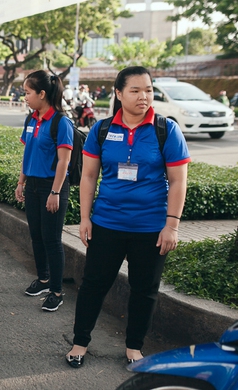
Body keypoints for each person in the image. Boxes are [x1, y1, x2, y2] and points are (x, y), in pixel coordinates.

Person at [65, 66, 190, 368]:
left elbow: (178, 181)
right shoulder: (103, 129)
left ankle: (134, 347)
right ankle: (80, 342)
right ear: (119, 94)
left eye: (148, 90)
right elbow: (89, 177)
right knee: (93, 284)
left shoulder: (166, 130)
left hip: (150, 228)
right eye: (135, 90)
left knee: (144, 290)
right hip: (107, 224)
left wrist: (171, 226)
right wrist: (85, 218)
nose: (144, 96)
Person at [15, 70, 73, 312]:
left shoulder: (61, 122)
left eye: (28, 93)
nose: (25, 97)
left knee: (52, 239)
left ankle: (57, 292)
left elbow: (63, 161)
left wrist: (55, 193)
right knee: (36, 235)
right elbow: (27, 153)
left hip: (52, 186)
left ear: (42, 93)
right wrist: (21, 182)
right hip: (34, 186)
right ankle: (43, 279)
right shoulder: (31, 119)